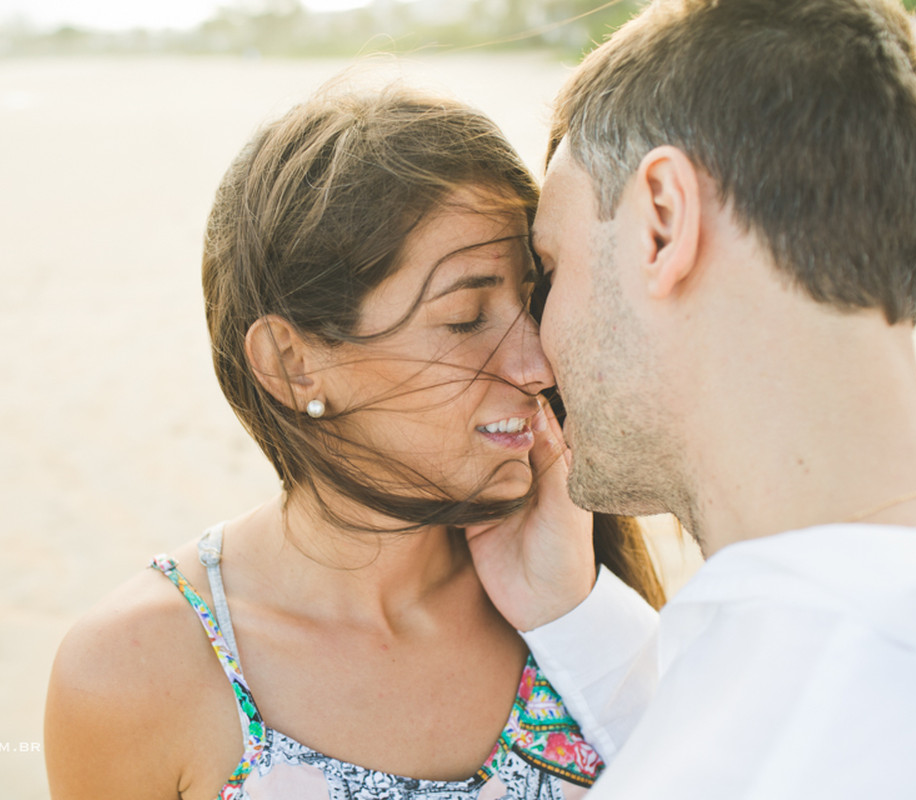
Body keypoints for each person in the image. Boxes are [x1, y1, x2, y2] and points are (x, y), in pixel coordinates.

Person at [43, 83, 666, 799]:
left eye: (532, 301)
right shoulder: (140, 671)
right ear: (292, 362)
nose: (537, 365)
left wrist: (578, 618)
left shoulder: (569, 602)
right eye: (466, 318)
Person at [470, 0, 916, 796]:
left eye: (551, 268)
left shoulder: (840, 708)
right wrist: (577, 623)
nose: (535, 355)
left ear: (663, 221)